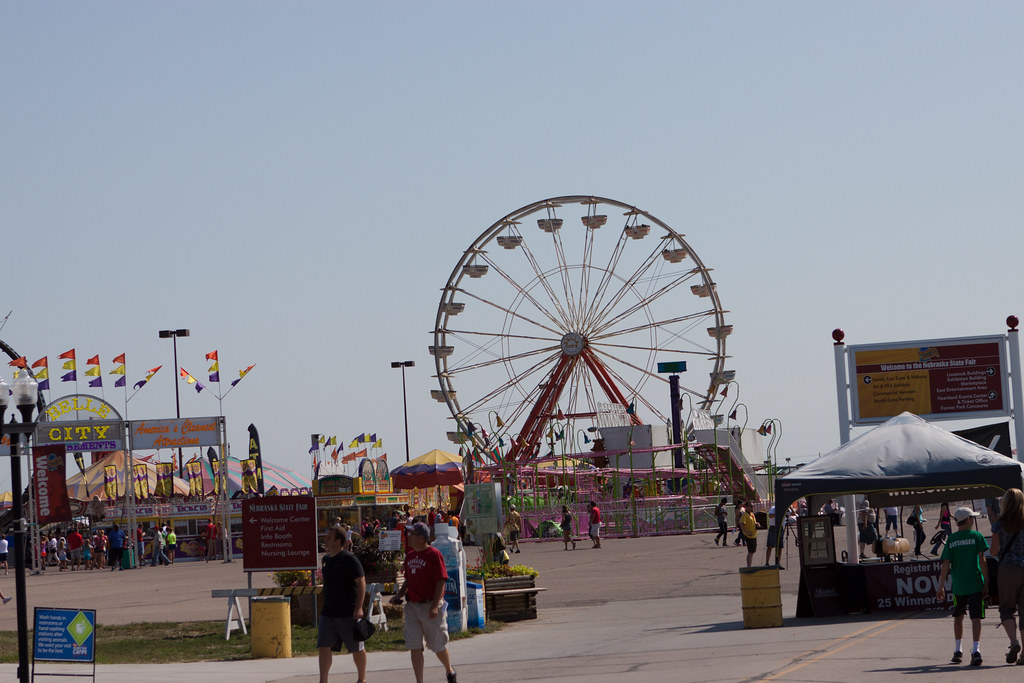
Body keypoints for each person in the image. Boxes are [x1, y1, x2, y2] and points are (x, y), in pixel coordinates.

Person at [389, 522, 458, 683]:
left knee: (438, 646)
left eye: (411, 534)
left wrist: (434, 606)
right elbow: (408, 580)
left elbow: (441, 581)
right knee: (414, 646)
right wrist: (399, 595)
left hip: (430, 605)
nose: (408, 537)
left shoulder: (433, 554)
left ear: (421, 538)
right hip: (412, 606)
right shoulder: (410, 556)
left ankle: (449, 671)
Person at [936, 507, 989, 666]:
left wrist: (941, 586)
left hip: (959, 586)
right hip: (975, 584)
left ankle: (958, 650)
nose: (973, 520)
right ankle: (976, 650)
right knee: (976, 618)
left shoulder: (952, 539)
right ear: (967, 520)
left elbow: (946, 563)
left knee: (958, 617)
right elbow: (982, 561)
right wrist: (986, 582)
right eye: (972, 518)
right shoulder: (977, 536)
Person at [317, 525, 367, 683]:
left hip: (348, 613)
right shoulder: (326, 560)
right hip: (328, 613)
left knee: (356, 648)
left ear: (338, 541)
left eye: (329, 538)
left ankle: (362, 679)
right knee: (324, 646)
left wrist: (359, 607)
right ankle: (323, 680)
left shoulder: (349, 559)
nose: (325, 540)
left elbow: (361, 582)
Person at [991, 488, 1024, 665]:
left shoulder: (999, 523)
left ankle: (1014, 642)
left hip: (1008, 569)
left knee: (1006, 609)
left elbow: (993, 550)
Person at [739, 501, 758, 568]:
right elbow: (741, 523)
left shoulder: (752, 514)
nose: (752, 507)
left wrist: (757, 524)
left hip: (754, 535)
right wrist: (746, 532)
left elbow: (754, 522)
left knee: (752, 551)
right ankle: (749, 566)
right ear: (747, 507)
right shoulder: (745, 515)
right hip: (749, 536)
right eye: (751, 506)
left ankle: (749, 566)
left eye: (753, 506)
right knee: (750, 551)